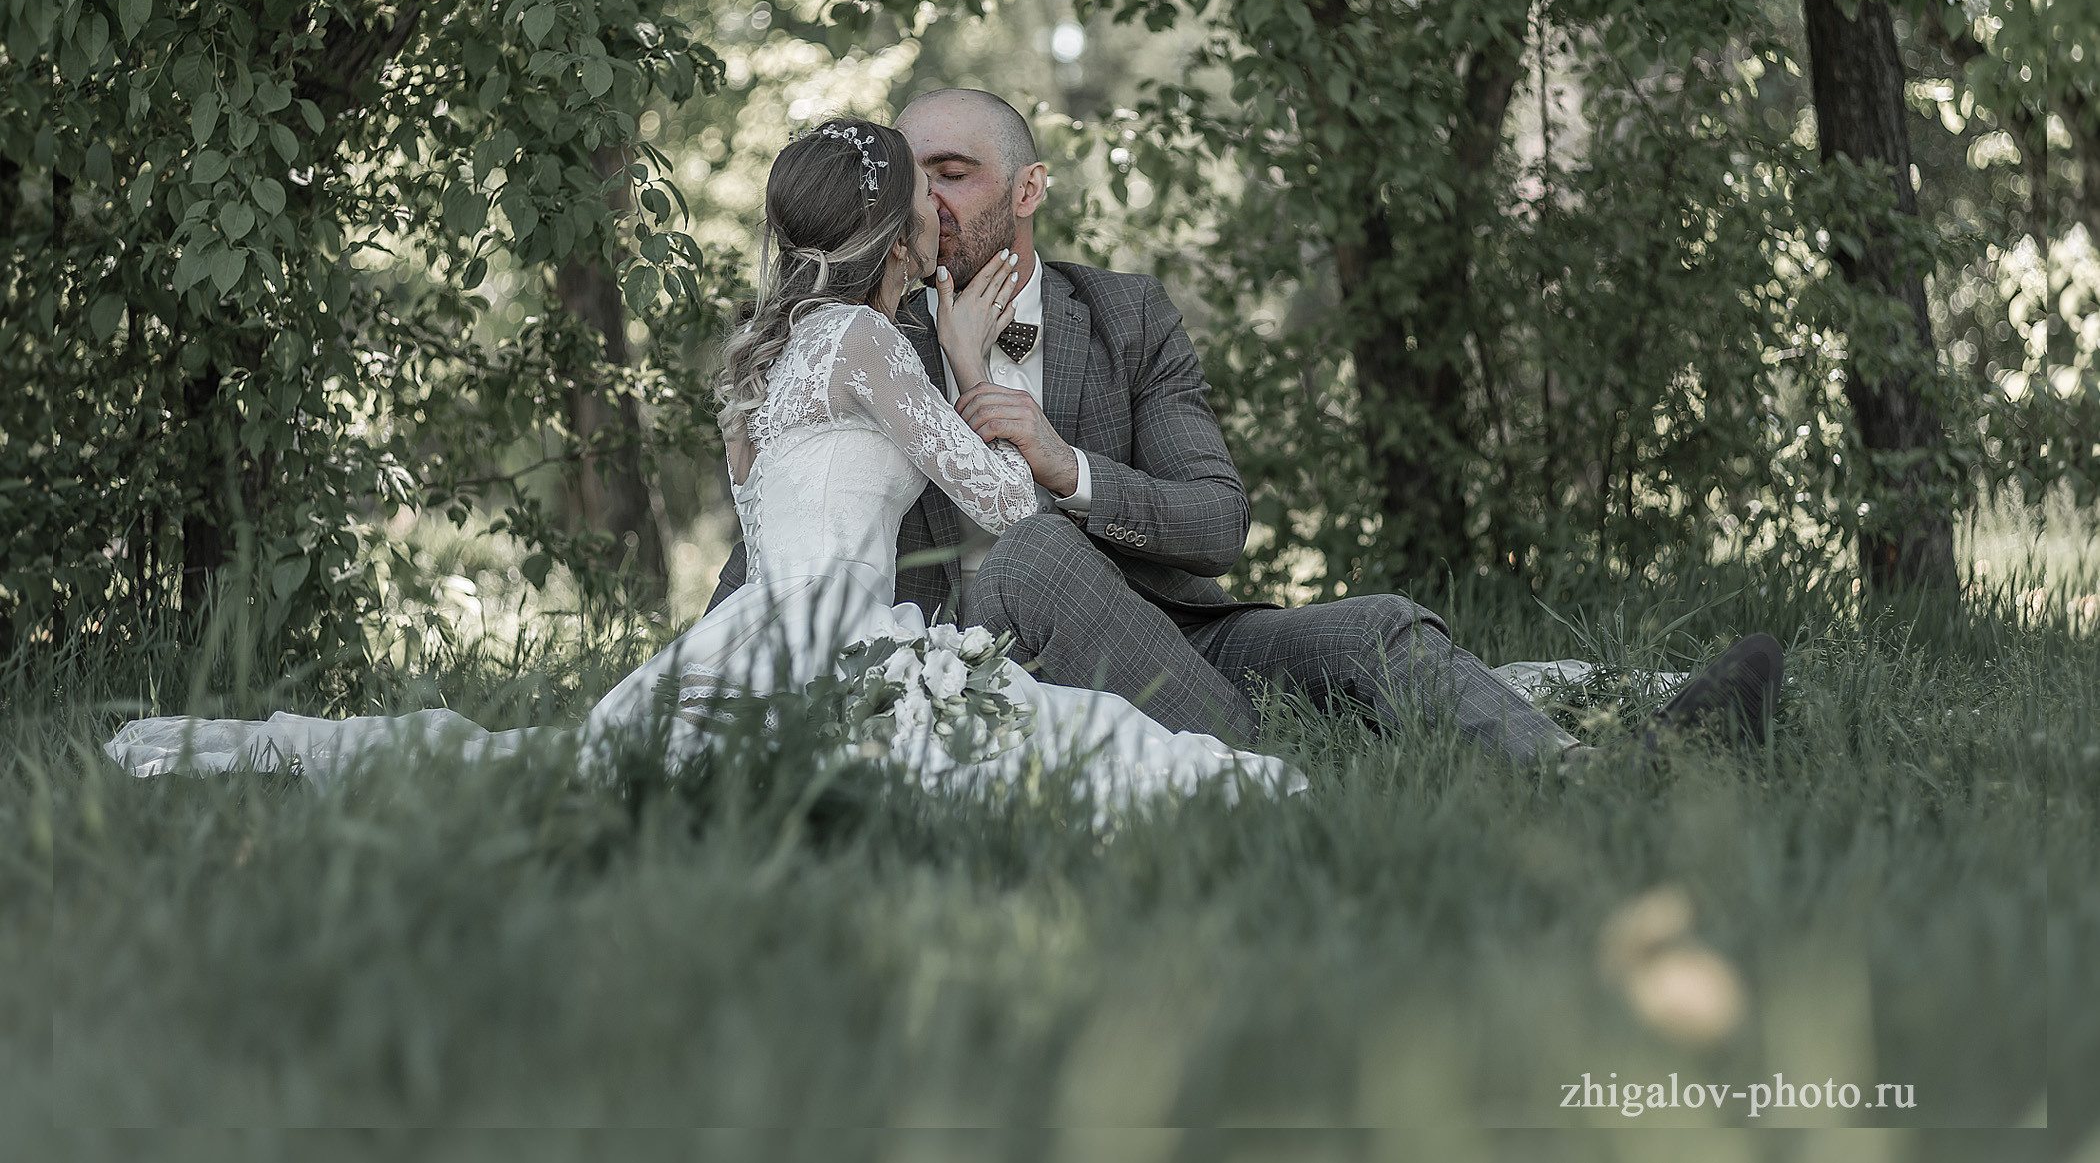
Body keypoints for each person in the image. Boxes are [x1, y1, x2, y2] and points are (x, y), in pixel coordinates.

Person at [104, 118, 1305, 806]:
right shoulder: (870, 347)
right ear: (895, 236)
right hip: (847, 642)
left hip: (755, 633)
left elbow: (758, 506)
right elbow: (998, 501)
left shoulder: (763, 350)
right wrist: (960, 352)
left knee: (560, 766)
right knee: (1107, 769)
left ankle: (237, 750)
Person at [706, 91, 1783, 765]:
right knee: (1033, 552)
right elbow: (786, 536)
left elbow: (1217, 523)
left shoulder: (1126, 316)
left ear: (1029, 187)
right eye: (914, 177)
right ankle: (1273, 761)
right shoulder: (864, 340)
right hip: (990, 659)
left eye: (956, 173)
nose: (931, 204)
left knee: (1376, 626)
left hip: (1181, 637)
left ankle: (1605, 770)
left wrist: (1067, 462)